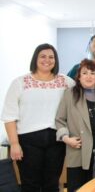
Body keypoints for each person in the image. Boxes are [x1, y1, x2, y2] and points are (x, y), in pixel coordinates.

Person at [1, 43, 74, 192]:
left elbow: (77, 105)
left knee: (52, 183)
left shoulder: (66, 82)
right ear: (35, 58)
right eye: (43, 56)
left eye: (51, 57)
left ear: (56, 60)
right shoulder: (20, 83)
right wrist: (14, 144)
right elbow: (9, 116)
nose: (47, 60)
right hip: (28, 141)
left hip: (56, 140)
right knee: (30, 184)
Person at [56, 59, 95, 192]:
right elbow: (59, 119)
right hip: (77, 148)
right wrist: (66, 138)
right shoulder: (70, 94)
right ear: (79, 76)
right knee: (78, 188)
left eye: (92, 73)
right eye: (84, 73)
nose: (88, 76)